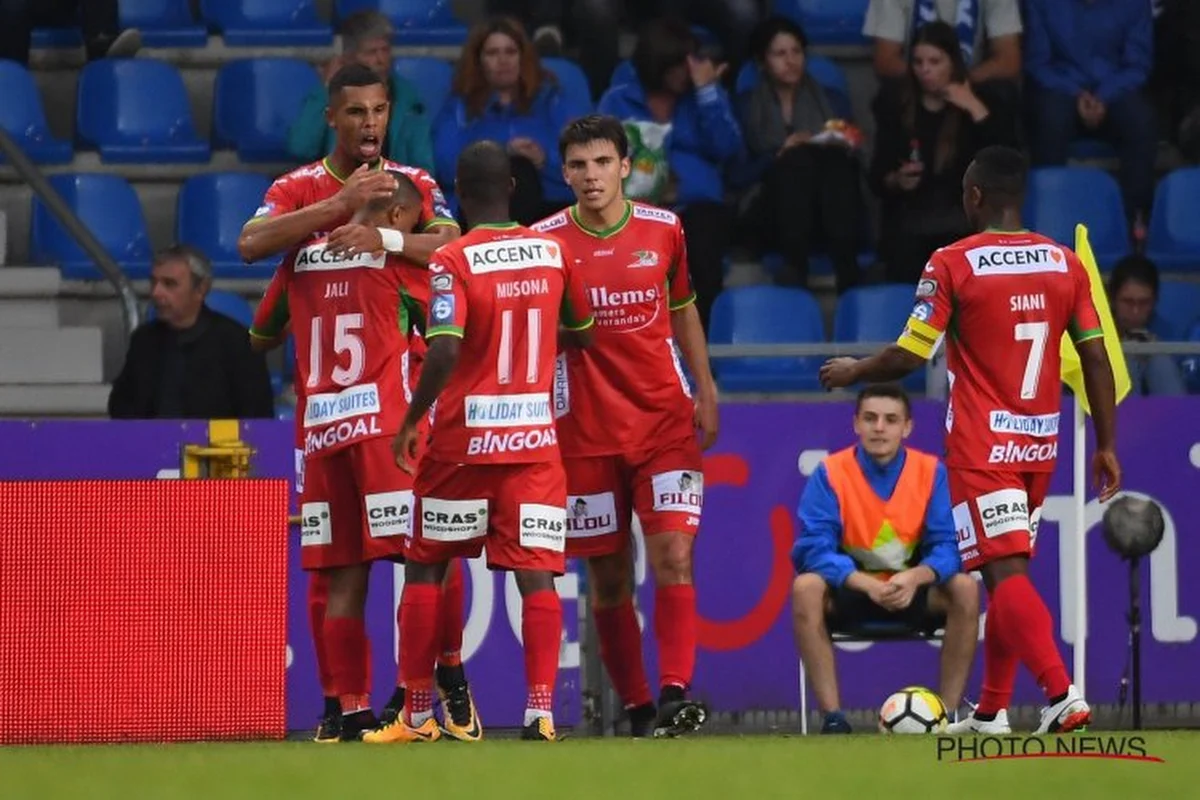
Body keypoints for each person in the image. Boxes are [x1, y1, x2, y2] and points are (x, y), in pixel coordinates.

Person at [819, 145, 1121, 735]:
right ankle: (990, 710)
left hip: (983, 445)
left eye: (963, 191)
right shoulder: (1065, 264)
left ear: (976, 196)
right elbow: (1095, 355)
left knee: (1004, 576)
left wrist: (855, 370)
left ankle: (1060, 693)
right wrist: (1106, 442)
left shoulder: (953, 262)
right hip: (1039, 443)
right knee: (999, 572)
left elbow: (911, 351)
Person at [238, 63, 464, 742]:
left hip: (386, 415)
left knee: (418, 555)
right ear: (331, 117)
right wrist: (337, 209)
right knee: (341, 571)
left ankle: (433, 689)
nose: (369, 124)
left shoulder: (411, 185)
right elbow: (250, 244)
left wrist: (388, 236)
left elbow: (454, 245)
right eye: (355, 112)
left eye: (378, 111)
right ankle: (351, 709)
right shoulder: (297, 190)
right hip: (323, 421)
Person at [371, 140, 594, 744]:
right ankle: (540, 712)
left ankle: (417, 713)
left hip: (463, 443)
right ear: (514, 190)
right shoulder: (554, 252)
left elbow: (442, 346)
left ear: (459, 194)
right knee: (538, 577)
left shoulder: (454, 258)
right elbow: (581, 330)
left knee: (425, 567)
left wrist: (415, 416)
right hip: (534, 441)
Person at [531, 114, 719, 738]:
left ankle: (673, 693)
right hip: (581, 431)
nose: (591, 176)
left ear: (624, 165)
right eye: (579, 166)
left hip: (664, 420)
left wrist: (706, 386)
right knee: (608, 575)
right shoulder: (543, 242)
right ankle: (639, 710)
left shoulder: (665, 229)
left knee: (674, 554)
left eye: (602, 163)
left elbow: (685, 307)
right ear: (564, 173)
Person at [791, 384, 978, 734]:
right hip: (853, 592)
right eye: (870, 418)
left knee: (966, 588)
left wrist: (916, 577)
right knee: (805, 588)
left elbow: (951, 546)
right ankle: (834, 718)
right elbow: (812, 549)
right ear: (856, 424)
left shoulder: (932, 472)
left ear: (906, 427)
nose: (880, 428)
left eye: (890, 420)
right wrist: (864, 584)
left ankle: (946, 715)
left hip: (914, 590)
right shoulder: (830, 473)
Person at [598, 17, 744, 331]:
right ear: (657, 64)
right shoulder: (617, 99)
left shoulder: (703, 96)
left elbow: (728, 148)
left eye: (691, 60)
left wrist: (708, 93)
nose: (688, 70)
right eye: (679, 63)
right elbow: (598, 158)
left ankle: (698, 348)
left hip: (697, 207)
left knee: (702, 255)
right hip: (634, 208)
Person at [869, 21, 1019, 284]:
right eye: (918, 62)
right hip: (911, 220)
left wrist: (975, 107)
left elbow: (1007, 162)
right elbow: (876, 176)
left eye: (935, 61)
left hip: (963, 219)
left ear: (953, 62)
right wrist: (896, 180)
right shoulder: (895, 105)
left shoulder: (984, 101)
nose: (925, 70)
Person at [735, 16, 863, 293]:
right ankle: (797, 266)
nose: (791, 61)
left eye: (796, 52)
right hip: (769, 212)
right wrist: (779, 154)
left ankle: (844, 267)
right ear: (762, 61)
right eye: (780, 54)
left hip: (826, 210)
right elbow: (736, 176)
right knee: (795, 162)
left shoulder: (830, 99)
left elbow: (855, 153)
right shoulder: (747, 106)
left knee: (834, 162)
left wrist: (835, 144)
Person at [433, 16, 583, 226]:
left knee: (525, 169)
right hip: (480, 215)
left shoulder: (551, 99)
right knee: (515, 167)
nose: (503, 60)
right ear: (479, 60)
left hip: (550, 209)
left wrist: (544, 160)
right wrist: (501, 154)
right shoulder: (460, 106)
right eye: (492, 53)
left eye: (510, 52)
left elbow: (582, 162)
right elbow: (447, 167)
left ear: (523, 57)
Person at [1023, 0, 1157, 230]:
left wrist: (1104, 95)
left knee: (1140, 122)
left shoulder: (1135, 4)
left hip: (1116, 90)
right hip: (1061, 89)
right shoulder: (1041, 3)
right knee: (1049, 120)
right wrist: (1076, 93)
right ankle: (1047, 218)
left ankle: (1133, 219)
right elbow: (1038, 63)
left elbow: (1138, 64)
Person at [108, 245, 274, 420]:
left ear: (201, 289)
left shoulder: (238, 344)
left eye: (169, 284)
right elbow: (120, 409)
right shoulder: (143, 341)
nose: (156, 293)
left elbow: (257, 417)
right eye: (153, 282)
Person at [287, 10, 435, 172]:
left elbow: (424, 167)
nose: (381, 60)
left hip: (394, 191)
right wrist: (328, 88)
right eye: (371, 52)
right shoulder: (330, 96)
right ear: (349, 58)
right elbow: (301, 148)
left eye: (385, 50)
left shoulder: (407, 99)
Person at [1106, 255, 1187, 396]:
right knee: (1127, 360)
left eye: (1144, 303)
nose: (1135, 311)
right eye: (1127, 302)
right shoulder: (1094, 329)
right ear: (1112, 299)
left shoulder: (1170, 333)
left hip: (1160, 411)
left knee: (1159, 359)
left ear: (1155, 301)